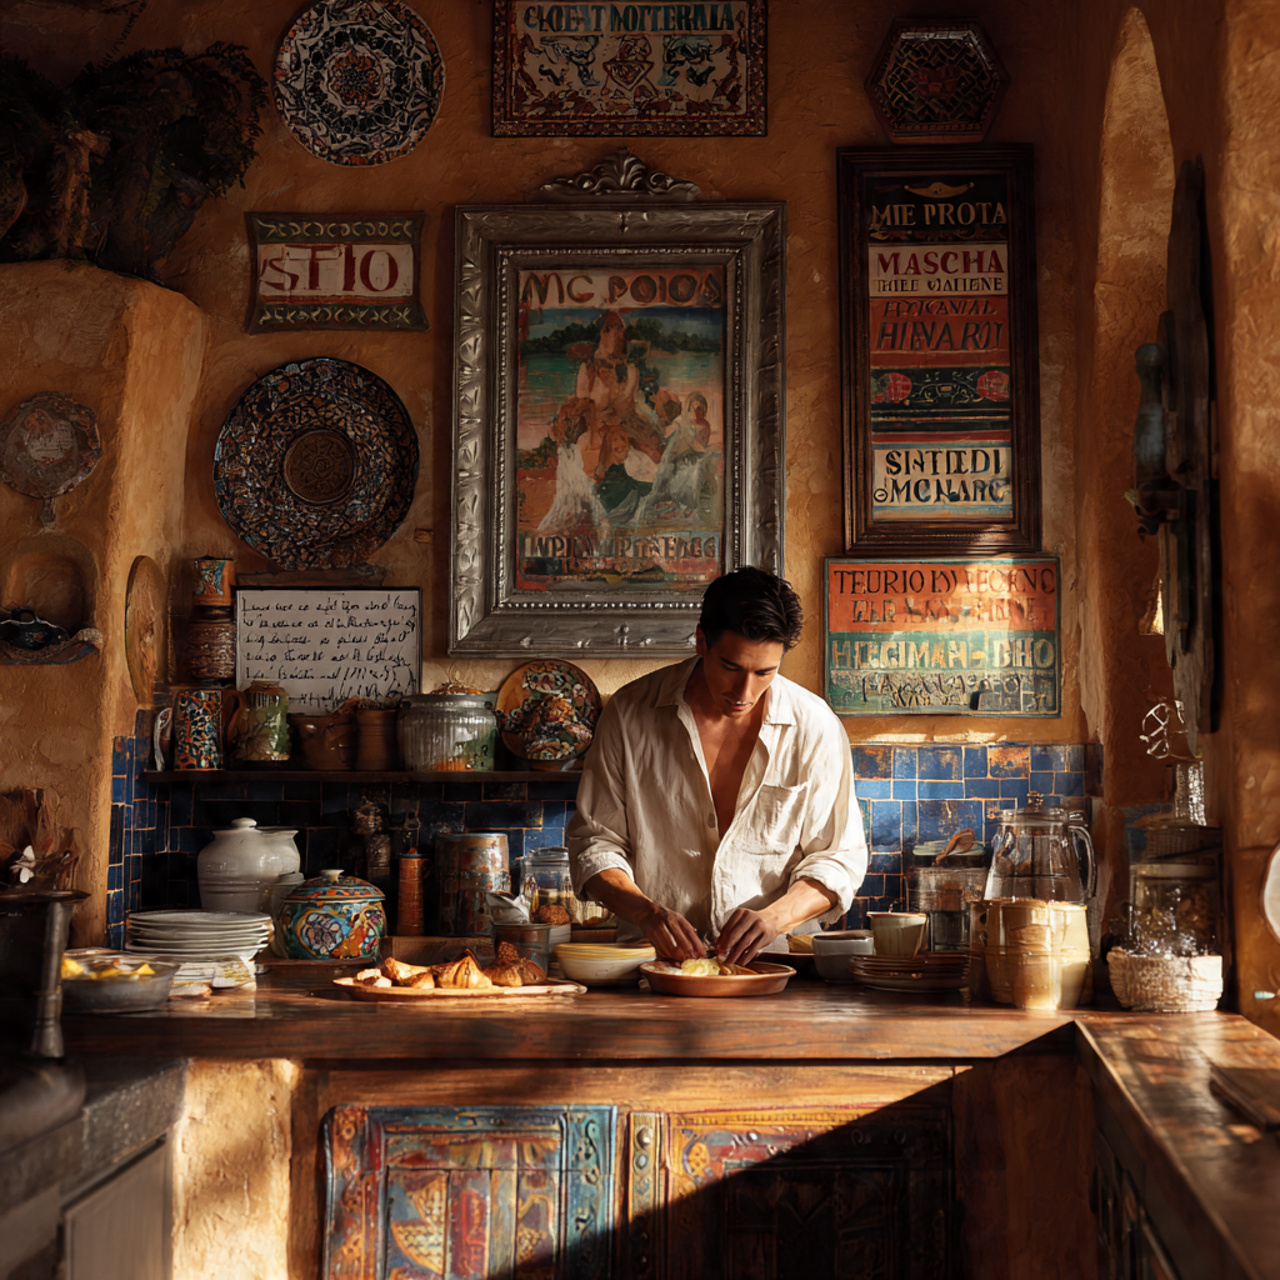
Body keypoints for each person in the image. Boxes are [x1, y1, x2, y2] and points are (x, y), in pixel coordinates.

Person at [566, 566, 867, 965]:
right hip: (655, 966)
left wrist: (774, 918)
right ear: (701, 641)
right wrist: (646, 913)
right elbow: (595, 842)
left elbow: (839, 857)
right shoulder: (629, 714)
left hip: (779, 967)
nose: (746, 692)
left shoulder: (815, 726)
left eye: (765, 672)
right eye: (731, 667)